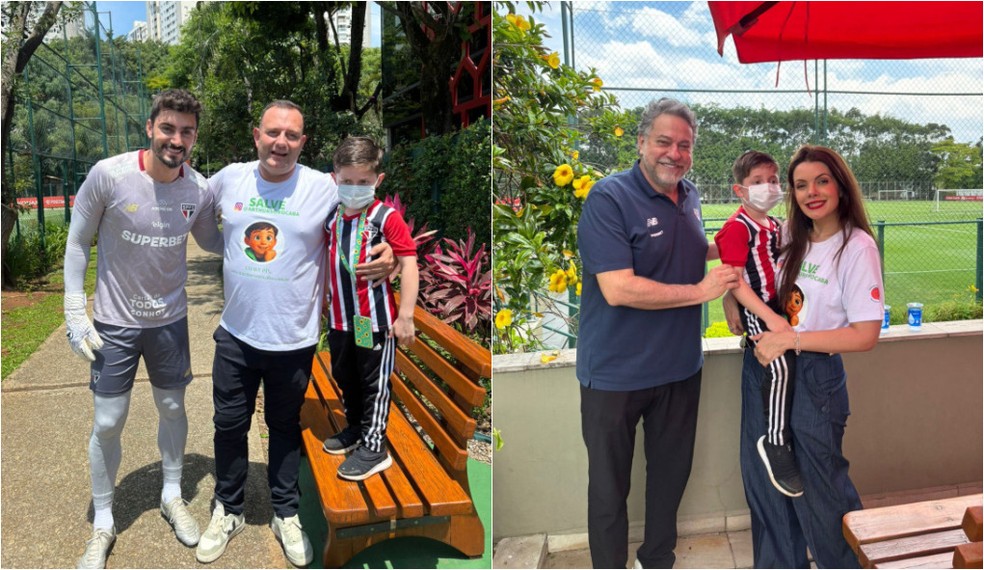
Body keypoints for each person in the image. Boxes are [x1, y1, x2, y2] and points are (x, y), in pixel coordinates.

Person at [194, 101, 396, 567]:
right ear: (256, 135)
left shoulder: (325, 187)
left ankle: (286, 512)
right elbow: (200, 219)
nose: (280, 142)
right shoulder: (229, 178)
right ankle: (228, 508)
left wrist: (388, 254)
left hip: (294, 340)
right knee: (229, 426)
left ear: (303, 143)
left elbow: (374, 208)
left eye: (291, 135)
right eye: (273, 133)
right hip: (237, 336)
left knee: (285, 427)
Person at [576, 97, 741, 569]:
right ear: (642, 142)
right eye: (665, 142)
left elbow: (688, 251)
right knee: (610, 489)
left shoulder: (689, 195)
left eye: (685, 145)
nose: (675, 153)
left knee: (670, 477)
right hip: (614, 376)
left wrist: (733, 245)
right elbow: (618, 288)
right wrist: (703, 291)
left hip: (680, 369)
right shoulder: (609, 197)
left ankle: (658, 558)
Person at [63, 89, 223, 569]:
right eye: (168, 128)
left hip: (169, 322)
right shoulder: (108, 175)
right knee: (108, 422)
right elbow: (77, 244)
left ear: (195, 136)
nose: (177, 139)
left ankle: (172, 494)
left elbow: (215, 241)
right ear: (150, 127)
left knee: (173, 406)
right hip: (114, 322)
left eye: (187, 131)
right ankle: (104, 523)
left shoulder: (197, 189)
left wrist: (269, 234)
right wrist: (74, 310)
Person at [730, 144, 883, 568]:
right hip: (765, 365)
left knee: (821, 488)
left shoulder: (856, 247)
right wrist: (732, 302)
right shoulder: (788, 237)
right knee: (767, 484)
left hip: (814, 376)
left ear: (840, 185)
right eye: (800, 185)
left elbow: (865, 335)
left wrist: (791, 341)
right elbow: (749, 275)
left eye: (821, 181)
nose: (811, 192)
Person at [320, 136, 418, 481]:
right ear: (335, 178)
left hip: (372, 321)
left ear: (379, 180)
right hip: (343, 321)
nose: (354, 188)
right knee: (347, 376)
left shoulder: (385, 217)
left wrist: (405, 316)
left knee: (373, 381)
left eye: (363, 182)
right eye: (347, 181)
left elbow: (409, 262)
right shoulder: (332, 216)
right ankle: (357, 429)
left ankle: (375, 447)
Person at [713, 150, 803, 498]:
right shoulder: (737, 227)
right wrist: (768, 318)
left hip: (777, 306)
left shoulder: (774, 225)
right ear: (740, 190)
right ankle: (776, 443)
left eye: (773, 180)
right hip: (759, 308)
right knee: (779, 366)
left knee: (793, 361)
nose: (768, 187)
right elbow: (734, 281)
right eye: (757, 182)